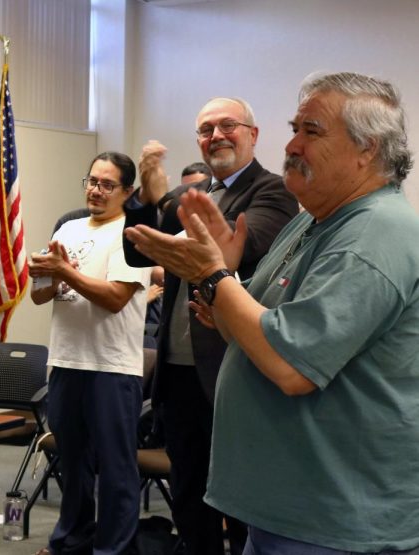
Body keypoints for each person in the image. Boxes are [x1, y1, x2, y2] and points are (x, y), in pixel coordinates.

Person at [125, 71, 419, 554]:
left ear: (367, 149)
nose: (294, 144)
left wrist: (214, 277)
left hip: (333, 522)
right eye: (295, 127)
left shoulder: (373, 236)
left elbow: (290, 365)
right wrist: (222, 291)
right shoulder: (313, 221)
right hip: (286, 509)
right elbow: (260, 321)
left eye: (312, 131)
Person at [123, 97, 299, 555]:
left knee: (238, 499)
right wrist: (146, 197)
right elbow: (137, 254)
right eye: (206, 130)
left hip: (231, 366)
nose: (216, 136)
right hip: (178, 371)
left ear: (253, 135)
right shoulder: (185, 196)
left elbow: (242, 246)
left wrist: (170, 209)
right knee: (187, 493)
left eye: (227, 126)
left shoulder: (272, 190)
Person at [30, 152, 150, 555]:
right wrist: (49, 279)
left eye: (107, 184)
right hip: (66, 360)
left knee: (115, 467)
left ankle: (113, 549)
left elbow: (116, 298)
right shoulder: (69, 227)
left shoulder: (134, 234)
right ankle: (71, 539)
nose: (96, 190)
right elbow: (39, 294)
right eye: (92, 181)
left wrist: (67, 274)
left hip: (112, 366)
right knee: (72, 461)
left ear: (128, 192)